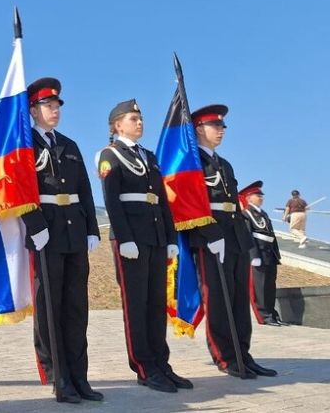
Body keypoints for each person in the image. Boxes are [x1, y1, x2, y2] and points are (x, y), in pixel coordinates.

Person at [98, 99, 190, 394]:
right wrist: (124, 238)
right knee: (136, 305)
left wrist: (171, 239)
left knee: (154, 303)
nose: (139, 122)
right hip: (131, 240)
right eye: (133, 118)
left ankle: (161, 363)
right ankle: (143, 365)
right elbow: (112, 200)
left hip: (154, 236)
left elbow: (162, 201)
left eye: (141, 118)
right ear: (117, 125)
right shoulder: (109, 155)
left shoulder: (149, 157)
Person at [24, 78, 102, 403]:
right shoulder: (24, 143)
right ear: (33, 110)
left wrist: (92, 228)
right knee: (49, 308)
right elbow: (18, 187)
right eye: (48, 106)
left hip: (74, 232)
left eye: (57, 106)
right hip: (46, 233)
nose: (54, 111)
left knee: (75, 307)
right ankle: (58, 376)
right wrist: (33, 223)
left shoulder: (69, 145)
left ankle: (78, 376)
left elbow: (84, 189)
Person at [189, 105, 275, 379]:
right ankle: (225, 356)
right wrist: (209, 234)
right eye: (216, 125)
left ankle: (243, 353)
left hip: (235, 235)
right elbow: (191, 204)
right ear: (200, 129)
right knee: (217, 299)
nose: (221, 130)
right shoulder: (192, 163)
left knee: (238, 299)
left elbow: (234, 206)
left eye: (223, 126)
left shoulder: (224, 164)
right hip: (211, 236)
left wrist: (245, 239)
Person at [240, 181, 284, 326]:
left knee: (270, 285)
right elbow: (247, 235)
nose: (261, 198)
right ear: (248, 197)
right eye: (257, 195)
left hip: (269, 254)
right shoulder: (246, 214)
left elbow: (271, 235)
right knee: (261, 286)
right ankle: (264, 315)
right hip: (258, 254)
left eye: (261, 195)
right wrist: (253, 255)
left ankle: (271, 312)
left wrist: (276, 254)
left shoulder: (263, 214)